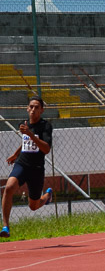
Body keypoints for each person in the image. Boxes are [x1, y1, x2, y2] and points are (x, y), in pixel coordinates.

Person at [2, 97, 54, 238]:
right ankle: (6, 226)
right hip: (22, 164)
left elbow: (46, 148)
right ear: (27, 108)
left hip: (36, 168)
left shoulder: (45, 126)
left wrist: (30, 134)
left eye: (37, 107)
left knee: (33, 206)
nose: (33, 110)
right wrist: (15, 154)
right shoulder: (23, 124)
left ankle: (47, 197)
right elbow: (25, 142)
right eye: (31, 107)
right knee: (9, 187)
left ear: (41, 110)